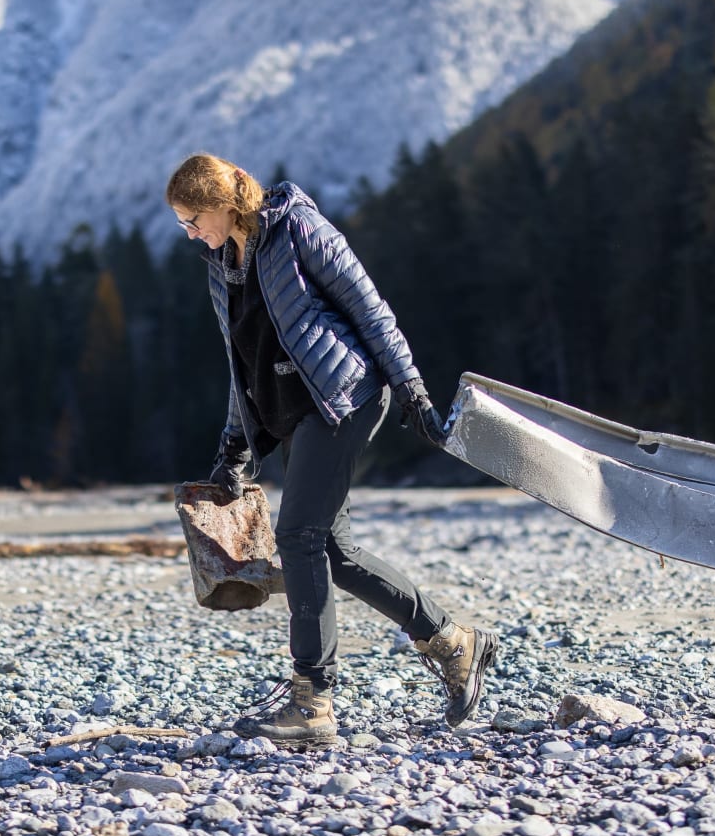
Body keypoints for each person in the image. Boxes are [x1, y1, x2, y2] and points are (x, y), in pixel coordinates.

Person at [166, 152, 496, 748]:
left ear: (221, 204)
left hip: (344, 397)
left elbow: (370, 309)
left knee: (297, 537)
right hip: (291, 413)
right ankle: (452, 641)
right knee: (332, 551)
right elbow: (241, 364)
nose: (189, 232)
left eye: (192, 218)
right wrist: (234, 447)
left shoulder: (297, 228)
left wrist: (412, 386)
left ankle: (312, 701)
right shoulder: (221, 265)